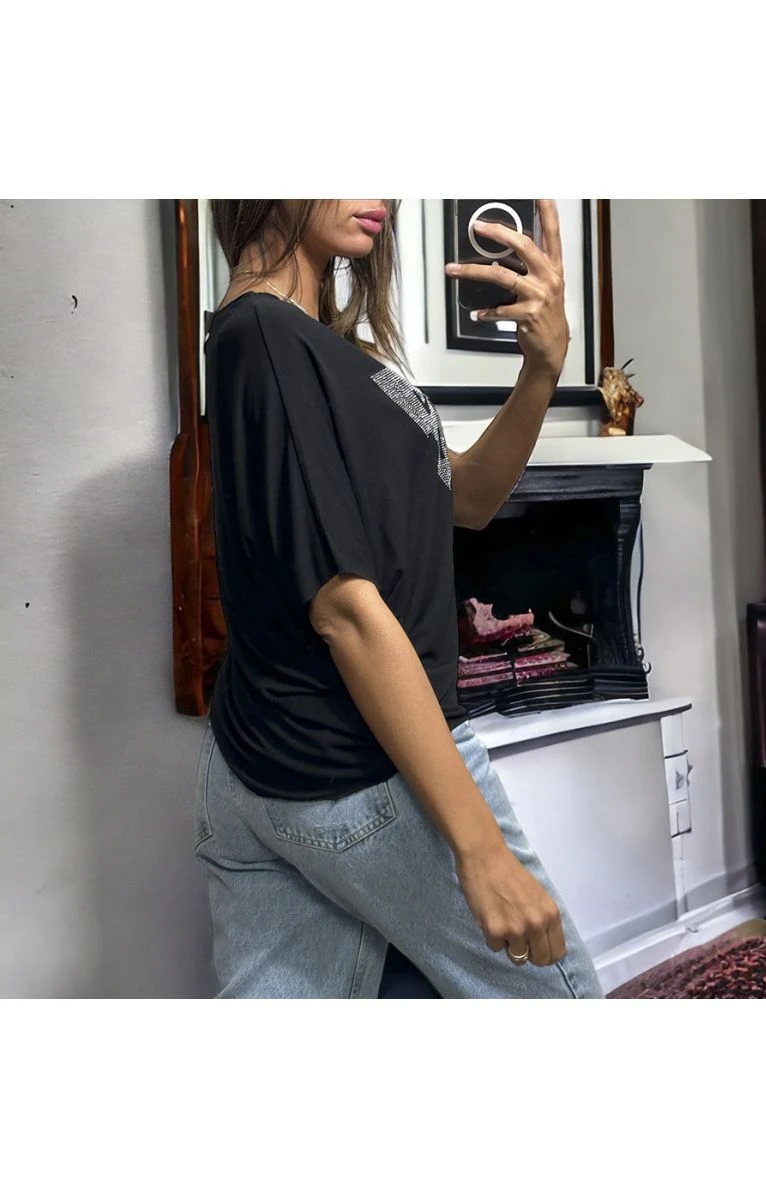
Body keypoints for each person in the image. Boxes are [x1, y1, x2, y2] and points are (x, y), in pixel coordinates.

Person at [194, 198, 604, 999]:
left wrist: (543, 370)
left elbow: (470, 496)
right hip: (361, 762)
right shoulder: (267, 335)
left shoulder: (314, 346)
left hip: (265, 758)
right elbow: (344, 608)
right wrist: (479, 847)